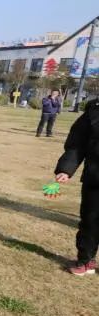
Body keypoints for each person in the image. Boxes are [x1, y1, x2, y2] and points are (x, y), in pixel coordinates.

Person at [53, 99, 99, 275]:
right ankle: (86, 260)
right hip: (95, 178)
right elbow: (77, 143)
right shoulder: (93, 112)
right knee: (90, 221)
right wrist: (66, 169)